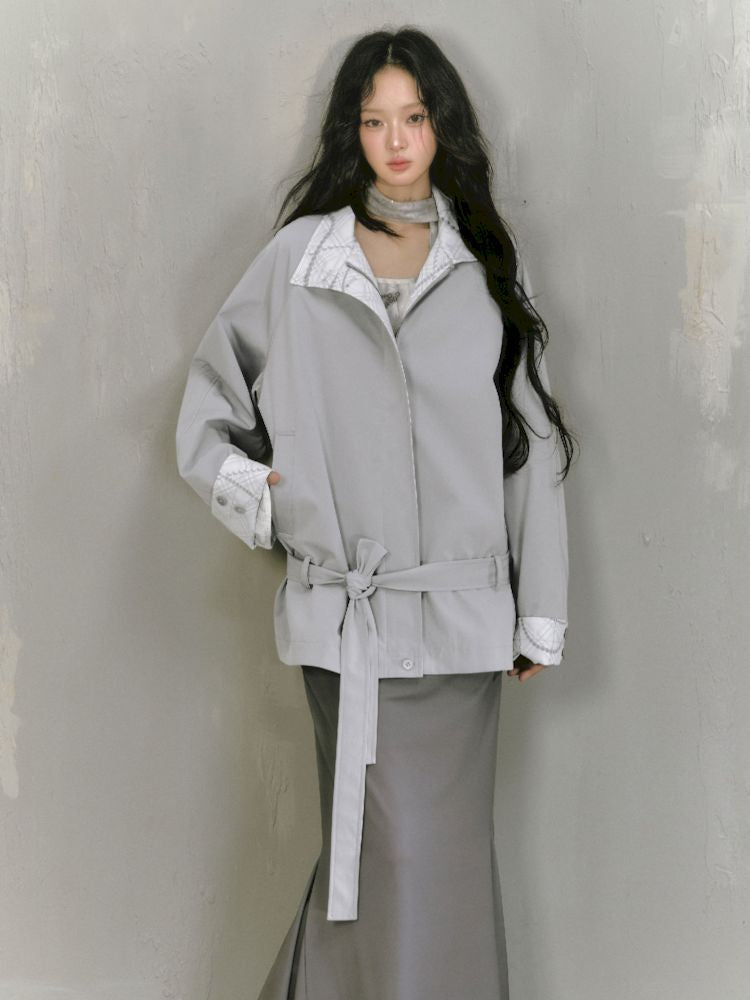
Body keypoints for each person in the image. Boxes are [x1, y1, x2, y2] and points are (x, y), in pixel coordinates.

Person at [175, 24, 577, 1000]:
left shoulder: (485, 267)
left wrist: (539, 608)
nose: (397, 140)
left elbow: (531, 445)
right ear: (351, 133)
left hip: (462, 625)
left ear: (442, 128)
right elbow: (207, 410)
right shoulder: (297, 262)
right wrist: (271, 501)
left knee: (439, 868)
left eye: (415, 117)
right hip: (346, 623)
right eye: (374, 120)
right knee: (383, 861)